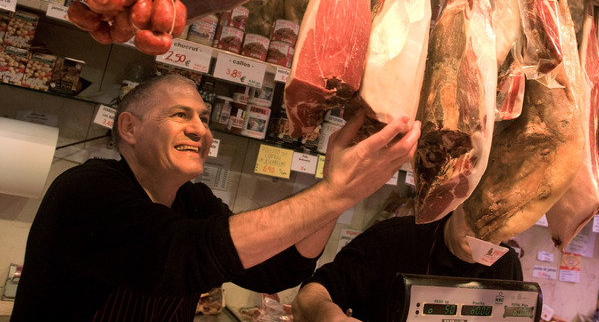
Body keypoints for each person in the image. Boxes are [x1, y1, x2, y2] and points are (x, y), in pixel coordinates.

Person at [11, 74, 420, 320]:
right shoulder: (87, 190)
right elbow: (177, 256)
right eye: (179, 115)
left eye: (204, 119)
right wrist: (335, 191)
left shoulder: (194, 201)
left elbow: (276, 270)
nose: (200, 130)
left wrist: (338, 193)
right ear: (129, 129)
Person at [291, 205, 524, 322]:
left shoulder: (506, 264)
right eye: (475, 215)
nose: (481, 232)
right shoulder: (394, 238)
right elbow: (308, 297)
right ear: (459, 202)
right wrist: (332, 317)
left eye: (495, 225)